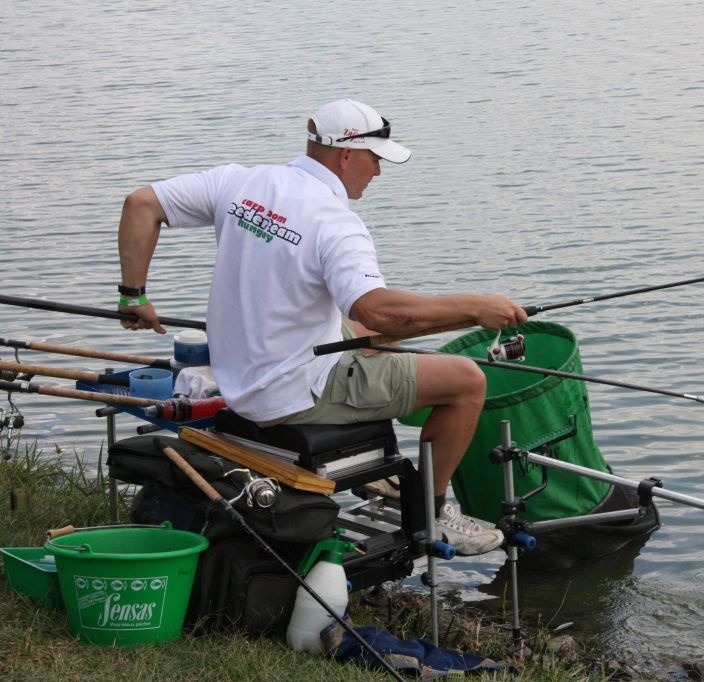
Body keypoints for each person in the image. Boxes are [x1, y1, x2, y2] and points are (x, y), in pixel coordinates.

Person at [117, 98, 528, 556]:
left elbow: (141, 203)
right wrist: (474, 308)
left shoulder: (242, 181)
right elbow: (377, 310)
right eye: (375, 160)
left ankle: (393, 478)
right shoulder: (336, 224)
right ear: (347, 155)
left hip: (240, 373)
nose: (378, 173)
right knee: (468, 381)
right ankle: (432, 513)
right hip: (292, 394)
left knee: (370, 331)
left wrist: (134, 296)